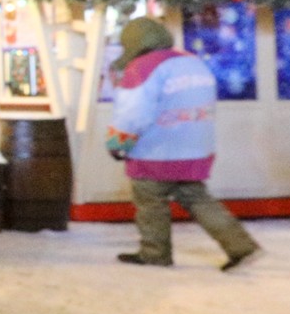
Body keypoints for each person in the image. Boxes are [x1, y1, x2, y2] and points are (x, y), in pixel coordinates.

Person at [106, 16, 260, 271]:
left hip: (155, 151)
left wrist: (117, 142)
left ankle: (155, 253)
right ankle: (239, 245)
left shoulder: (141, 67)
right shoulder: (191, 61)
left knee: (150, 202)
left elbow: (133, 112)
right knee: (198, 199)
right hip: (195, 148)